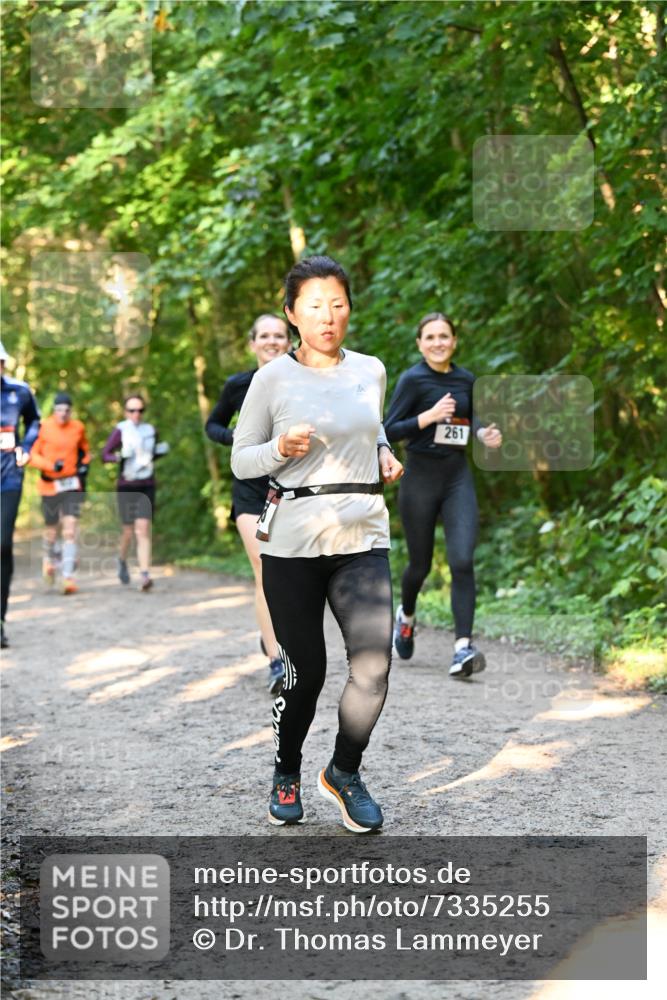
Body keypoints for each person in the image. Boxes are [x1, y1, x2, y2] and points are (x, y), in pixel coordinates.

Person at [231, 255, 403, 833]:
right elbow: (242, 457)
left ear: (349, 309)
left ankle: (344, 772)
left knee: (374, 667)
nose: (328, 316)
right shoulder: (271, 378)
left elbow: (371, 422)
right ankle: (287, 770)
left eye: (338, 304)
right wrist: (280, 448)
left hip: (362, 532)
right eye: (314, 306)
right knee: (306, 671)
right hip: (293, 541)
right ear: (292, 314)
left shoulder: (372, 369)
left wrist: (381, 450)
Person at [384, 312, 502, 678]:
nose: (438, 342)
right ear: (420, 344)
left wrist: (485, 435)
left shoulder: (467, 380)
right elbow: (387, 429)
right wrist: (429, 416)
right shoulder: (412, 380)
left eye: (444, 336)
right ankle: (406, 616)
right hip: (419, 476)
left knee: (462, 560)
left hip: (456, 477)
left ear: (454, 341)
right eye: (430, 337)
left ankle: (462, 647)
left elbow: (477, 420)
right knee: (419, 565)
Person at [206, 314, 291, 695]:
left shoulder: (302, 381)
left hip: (291, 489)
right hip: (251, 492)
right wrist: (234, 436)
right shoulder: (239, 385)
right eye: (265, 336)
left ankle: (274, 635)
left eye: (280, 335)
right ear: (252, 343)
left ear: (290, 341)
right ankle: (276, 661)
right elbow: (213, 425)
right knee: (264, 566)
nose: (272, 341)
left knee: (293, 576)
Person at [102, 394, 169, 592]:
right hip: (127, 485)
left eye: (140, 410)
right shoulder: (120, 430)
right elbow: (104, 455)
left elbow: (150, 455)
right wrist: (119, 457)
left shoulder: (150, 430)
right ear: (125, 412)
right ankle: (122, 559)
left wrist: (160, 451)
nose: (136, 414)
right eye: (132, 410)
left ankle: (145, 574)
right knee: (129, 531)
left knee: (143, 528)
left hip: (147, 484)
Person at [28, 391, 91, 595]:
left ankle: (67, 577)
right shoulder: (44, 427)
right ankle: (49, 559)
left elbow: (85, 451)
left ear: (71, 411)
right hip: (50, 485)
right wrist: (50, 465)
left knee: (70, 529)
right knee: (52, 530)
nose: (63, 414)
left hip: (71, 484)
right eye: (59, 410)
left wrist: (85, 466)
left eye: (66, 410)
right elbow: (32, 456)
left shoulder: (78, 427)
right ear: (54, 410)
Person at [0, 341, 41, 647]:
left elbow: (35, 420)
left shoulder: (19, 392)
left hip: (9, 478)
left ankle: (0, 619)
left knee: (2, 545)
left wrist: (26, 447)